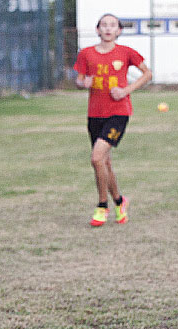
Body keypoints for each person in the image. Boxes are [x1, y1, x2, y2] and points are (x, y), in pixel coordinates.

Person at [74, 13, 152, 227]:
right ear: (98, 30)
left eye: (113, 25)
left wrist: (126, 90)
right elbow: (79, 79)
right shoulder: (86, 54)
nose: (108, 29)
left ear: (119, 31)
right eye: (104, 25)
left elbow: (147, 73)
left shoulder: (126, 53)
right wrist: (84, 83)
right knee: (104, 163)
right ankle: (119, 201)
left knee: (96, 158)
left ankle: (102, 206)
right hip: (95, 115)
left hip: (118, 113)